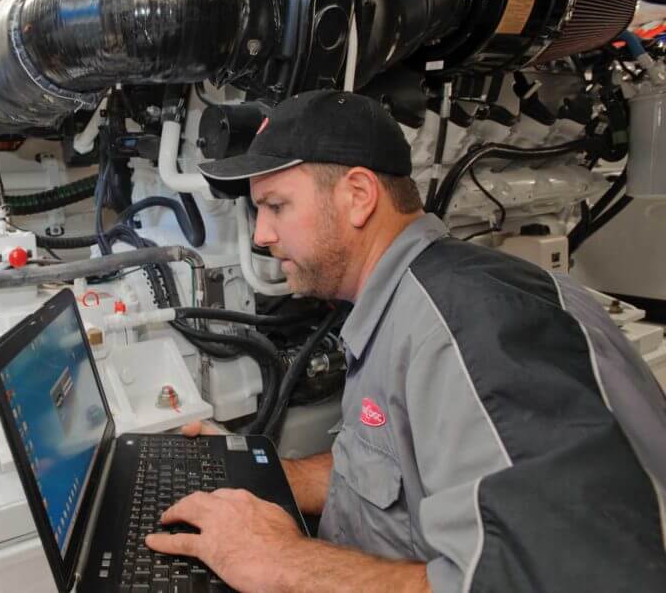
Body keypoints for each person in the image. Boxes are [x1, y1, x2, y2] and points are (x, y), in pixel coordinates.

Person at [144, 89, 666, 591]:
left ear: (357, 196)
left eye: (276, 206)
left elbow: (544, 580)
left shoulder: (470, 332)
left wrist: (280, 561)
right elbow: (401, 470)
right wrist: (271, 475)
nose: (260, 235)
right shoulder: (412, 301)